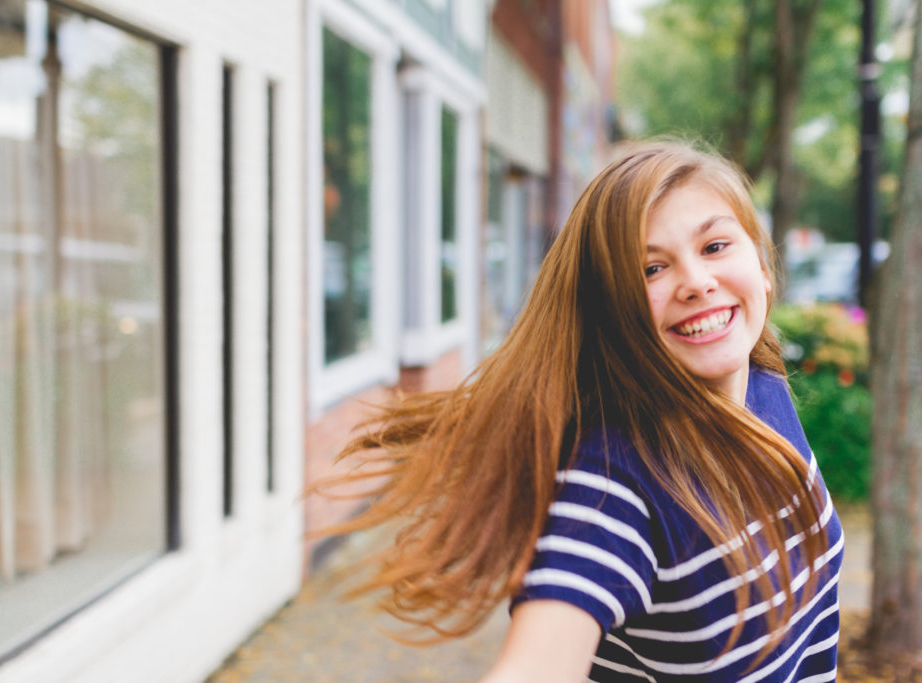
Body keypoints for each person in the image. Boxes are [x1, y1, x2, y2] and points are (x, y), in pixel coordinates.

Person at [315, 140, 844, 681]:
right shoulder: (614, 481)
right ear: (614, 312)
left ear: (762, 267)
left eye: (714, 246)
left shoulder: (765, 383)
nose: (695, 282)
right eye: (652, 268)